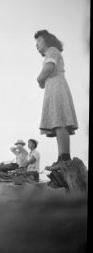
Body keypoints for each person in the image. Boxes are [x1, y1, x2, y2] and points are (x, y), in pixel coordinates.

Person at [34, 30, 78, 171]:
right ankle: (61, 157)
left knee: (60, 121)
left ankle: (65, 157)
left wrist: (39, 79)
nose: (36, 44)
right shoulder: (49, 54)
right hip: (53, 87)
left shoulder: (52, 51)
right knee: (58, 121)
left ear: (47, 41)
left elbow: (49, 68)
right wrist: (42, 80)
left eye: (39, 41)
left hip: (57, 86)